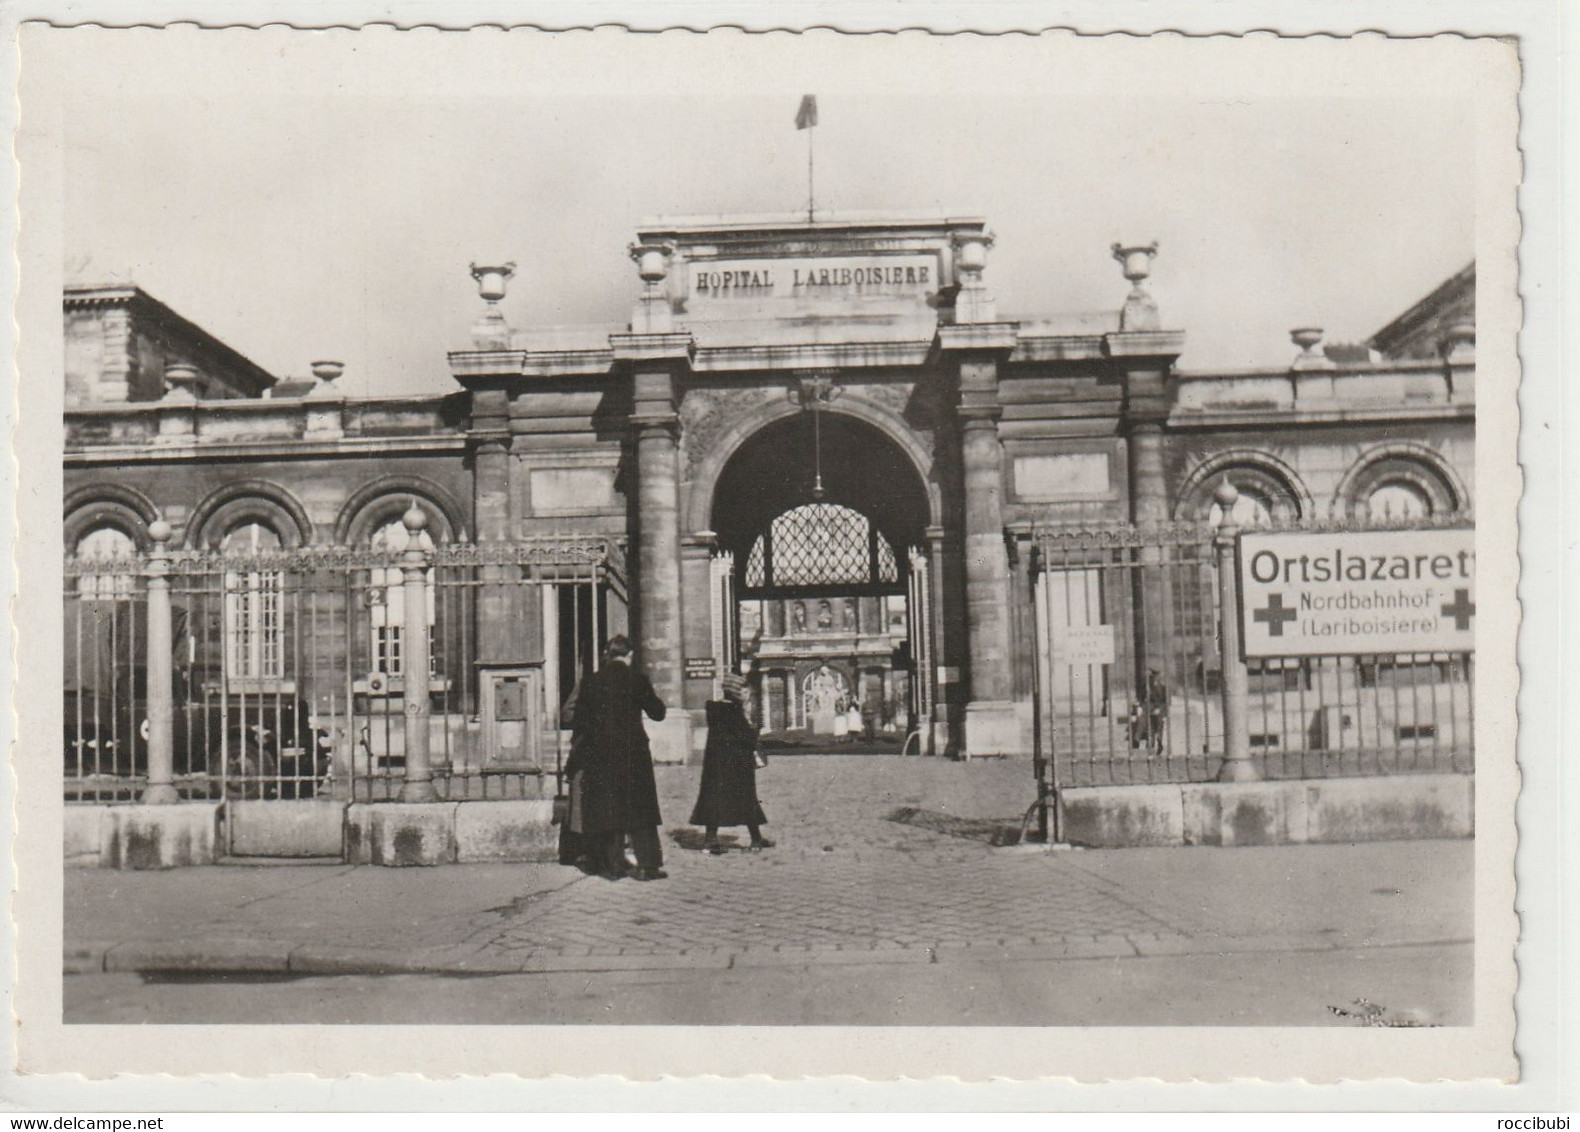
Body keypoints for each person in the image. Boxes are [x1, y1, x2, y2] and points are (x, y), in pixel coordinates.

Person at [566, 635, 669, 881]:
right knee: (641, 809)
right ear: (629, 655)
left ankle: (612, 866)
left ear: (608, 655)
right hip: (634, 753)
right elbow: (658, 713)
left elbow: (579, 720)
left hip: (601, 753)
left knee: (608, 808)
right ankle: (647, 866)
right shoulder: (638, 680)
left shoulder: (590, 682)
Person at [690, 673, 772, 854]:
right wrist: (750, 721)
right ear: (735, 692)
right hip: (738, 764)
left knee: (713, 800)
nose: (746, 693)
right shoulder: (734, 712)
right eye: (743, 690)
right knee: (747, 800)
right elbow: (748, 738)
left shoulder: (715, 710)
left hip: (716, 765)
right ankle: (756, 839)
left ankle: (710, 840)